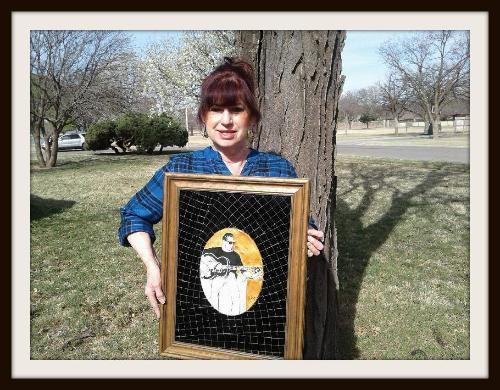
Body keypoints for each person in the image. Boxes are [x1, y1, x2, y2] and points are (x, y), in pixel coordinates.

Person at [118, 57, 325, 321]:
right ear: (204, 115)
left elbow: (303, 228)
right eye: (216, 109)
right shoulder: (182, 168)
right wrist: (152, 266)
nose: (226, 120)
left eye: (236, 109)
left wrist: (306, 238)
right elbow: (133, 215)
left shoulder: (278, 170)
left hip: (263, 311)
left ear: (251, 116)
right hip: (198, 311)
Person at [200, 233, 262, 316]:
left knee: (236, 296)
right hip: (218, 277)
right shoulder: (215, 250)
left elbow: (242, 270)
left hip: (231, 277)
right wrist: (214, 265)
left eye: (233, 243)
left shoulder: (236, 255)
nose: (232, 245)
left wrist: (251, 276)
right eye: (230, 242)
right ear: (224, 241)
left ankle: (236, 316)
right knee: (213, 294)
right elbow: (203, 256)